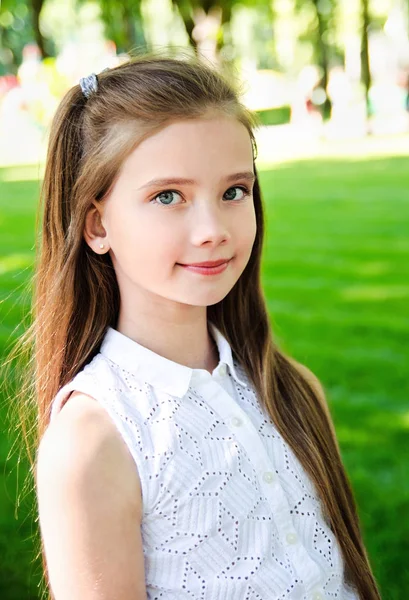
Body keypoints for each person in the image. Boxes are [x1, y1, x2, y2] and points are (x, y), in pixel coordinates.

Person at [29, 53, 380, 599]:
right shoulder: (94, 442)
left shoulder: (291, 391)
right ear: (98, 224)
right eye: (168, 196)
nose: (212, 229)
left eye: (233, 191)